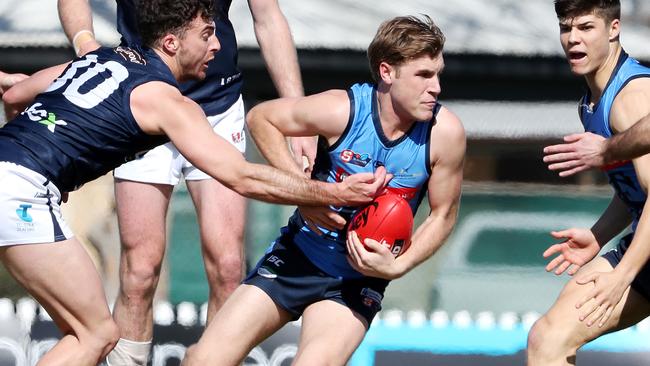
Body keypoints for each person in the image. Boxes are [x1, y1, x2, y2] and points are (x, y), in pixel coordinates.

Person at [0, 0, 389, 364]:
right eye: (207, 34)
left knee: (86, 329)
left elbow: (16, 93)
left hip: (14, 173)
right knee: (96, 333)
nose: (218, 43)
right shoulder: (166, 102)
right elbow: (241, 176)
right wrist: (333, 192)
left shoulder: (104, 58)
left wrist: (46, 153)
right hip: (22, 193)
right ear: (171, 42)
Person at [182, 15, 465, 366]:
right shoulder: (342, 110)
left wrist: (399, 266)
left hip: (356, 280)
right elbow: (261, 119)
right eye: (424, 75)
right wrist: (305, 192)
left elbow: (444, 215)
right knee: (204, 360)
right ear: (387, 72)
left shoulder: (445, 133)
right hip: (298, 256)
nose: (436, 87)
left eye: (438, 74)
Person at [527, 1, 650, 365]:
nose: (572, 39)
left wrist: (622, 275)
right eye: (566, 28)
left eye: (586, 27)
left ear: (614, 29)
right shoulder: (591, 103)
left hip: (640, 258)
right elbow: (637, 192)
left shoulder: (631, 97)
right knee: (547, 339)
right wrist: (598, 235)